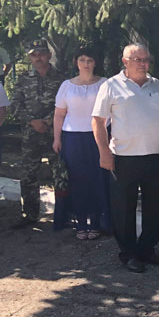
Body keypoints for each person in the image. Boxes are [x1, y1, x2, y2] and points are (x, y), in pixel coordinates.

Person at [92, 43, 159, 273]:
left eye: (146, 59)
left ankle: (147, 249)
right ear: (125, 61)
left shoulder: (156, 85)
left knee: (154, 206)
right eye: (138, 60)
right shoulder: (111, 85)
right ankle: (128, 253)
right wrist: (104, 152)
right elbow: (98, 120)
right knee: (123, 208)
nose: (144, 64)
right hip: (124, 157)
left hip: (155, 156)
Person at [52, 48, 111, 238]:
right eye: (82, 60)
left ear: (95, 62)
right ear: (76, 62)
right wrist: (57, 139)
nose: (86, 64)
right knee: (77, 180)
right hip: (72, 138)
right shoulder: (67, 86)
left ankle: (96, 223)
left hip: (98, 137)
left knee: (97, 180)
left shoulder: (105, 84)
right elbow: (59, 114)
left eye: (90, 60)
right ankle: (80, 223)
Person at [10, 39, 66, 227]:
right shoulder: (23, 79)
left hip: (54, 134)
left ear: (49, 55)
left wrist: (48, 121)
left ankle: (63, 214)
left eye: (41, 53)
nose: (38, 58)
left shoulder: (61, 79)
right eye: (34, 55)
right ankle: (30, 215)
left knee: (60, 174)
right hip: (30, 134)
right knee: (28, 175)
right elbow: (15, 105)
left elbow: (67, 104)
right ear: (30, 58)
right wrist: (31, 121)